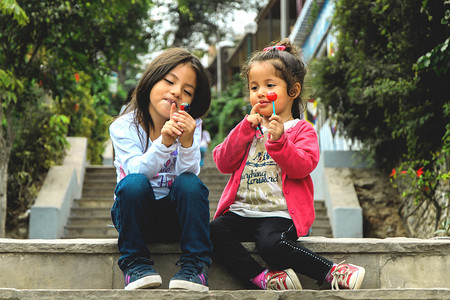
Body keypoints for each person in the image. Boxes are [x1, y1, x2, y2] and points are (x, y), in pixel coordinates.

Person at [210, 39, 366, 291]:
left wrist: (280, 140)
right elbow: (222, 162)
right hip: (241, 212)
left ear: (293, 91)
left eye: (269, 85)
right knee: (212, 231)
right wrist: (242, 131)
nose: (260, 92)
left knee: (271, 246)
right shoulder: (247, 127)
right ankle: (262, 278)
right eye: (254, 87)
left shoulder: (302, 130)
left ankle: (333, 271)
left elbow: (302, 167)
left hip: (280, 214)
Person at [109, 48, 213, 292]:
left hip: (174, 218)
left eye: (187, 91)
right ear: (152, 79)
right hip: (134, 217)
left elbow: (189, 173)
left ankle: (196, 266)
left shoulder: (191, 124)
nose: (177, 92)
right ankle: (135, 264)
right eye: (169, 81)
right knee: (133, 183)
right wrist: (164, 143)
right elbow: (136, 170)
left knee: (190, 184)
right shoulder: (124, 126)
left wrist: (186, 143)